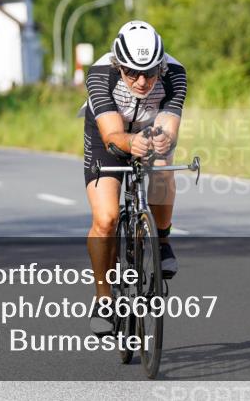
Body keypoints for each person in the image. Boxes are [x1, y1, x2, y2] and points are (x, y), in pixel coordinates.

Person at [80, 20, 187, 335]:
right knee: (106, 219)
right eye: (132, 73)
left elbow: (169, 123)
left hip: (148, 129)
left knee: (164, 171)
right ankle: (103, 299)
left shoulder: (175, 73)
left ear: (161, 66)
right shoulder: (100, 74)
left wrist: (164, 140)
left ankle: (162, 241)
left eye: (151, 73)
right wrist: (131, 143)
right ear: (118, 65)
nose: (142, 81)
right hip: (107, 136)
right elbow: (112, 134)